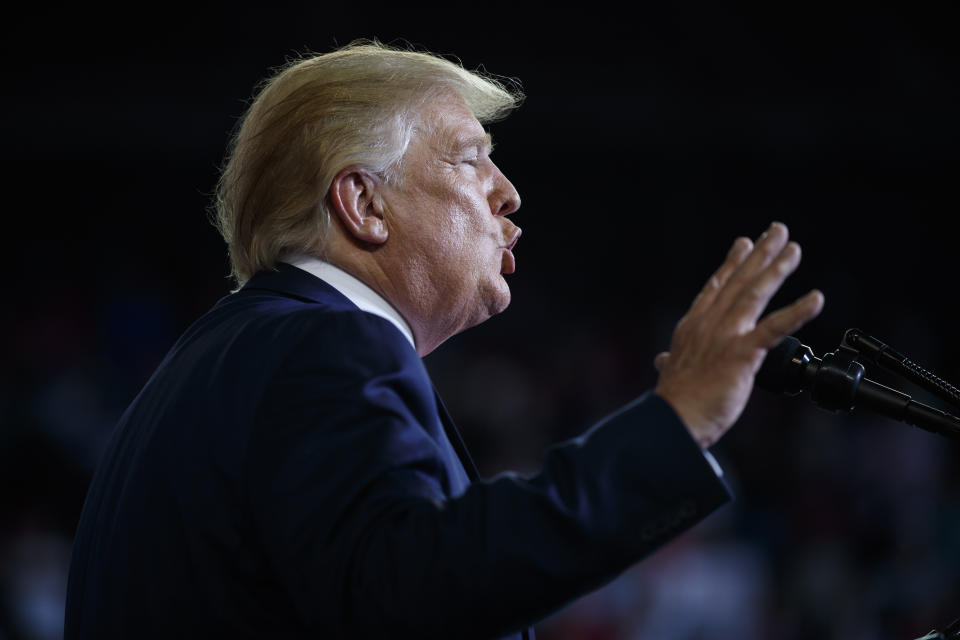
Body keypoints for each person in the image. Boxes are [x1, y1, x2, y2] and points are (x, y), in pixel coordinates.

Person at [63, 40, 824, 639]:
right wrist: (677, 420)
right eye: (470, 157)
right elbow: (413, 591)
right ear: (362, 202)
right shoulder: (322, 345)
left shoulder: (224, 358)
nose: (508, 191)